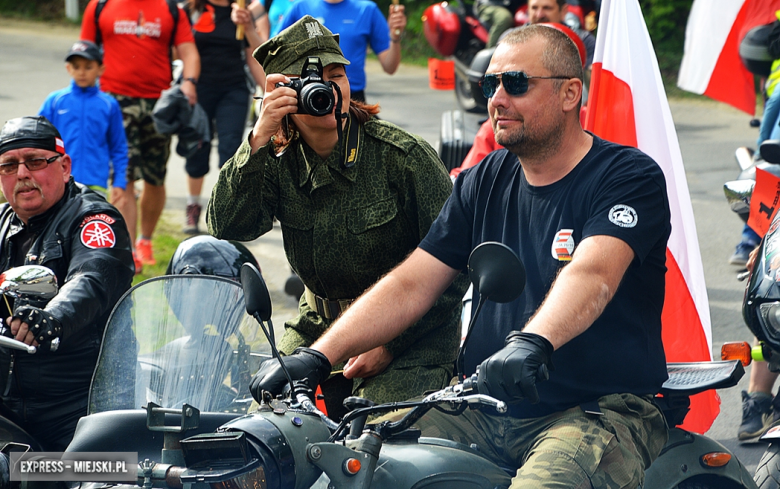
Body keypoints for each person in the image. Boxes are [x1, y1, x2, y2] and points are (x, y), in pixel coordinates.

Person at [250, 24, 671, 487]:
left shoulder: (628, 176)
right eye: (489, 84)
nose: (496, 98)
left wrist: (534, 342)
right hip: (485, 405)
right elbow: (413, 282)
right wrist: (317, 356)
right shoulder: (483, 180)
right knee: (357, 468)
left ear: (571, 92)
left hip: (596, 411)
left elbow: (593, 273)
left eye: (515, 83)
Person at [207, 16, 467, 419]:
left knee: (375, 433)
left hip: (412, 335)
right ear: (282, 94)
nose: (326, 90)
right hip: (321, 327)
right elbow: (227, 225)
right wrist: (258, 137)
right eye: (309, 81)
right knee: (265, 418)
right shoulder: (275, 161)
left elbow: (457, 264)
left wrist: (390, 344)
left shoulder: (402, 158)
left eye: (336, 75)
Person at [0, 116, 135, 450]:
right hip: (9, 410)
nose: (21, 174)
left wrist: (53, 317)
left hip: (80, 413)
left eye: (34, 161)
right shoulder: (3, 223)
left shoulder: (94, 218)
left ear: (64, 165)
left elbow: (93, 278)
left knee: (102, 480)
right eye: (8, 166)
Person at [80, 0, 201, 270]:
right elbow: (83, 55)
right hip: (114, 101)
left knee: (155, 177)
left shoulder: (171, 9)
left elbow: (189, 52)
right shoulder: (100, 6)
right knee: (123, 176)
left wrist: (189, 83)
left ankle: (145, 240)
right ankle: (128, 248)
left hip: (159, 105)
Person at [180, 0, 266, 235]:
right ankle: (193, 206)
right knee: (197, 149)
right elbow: (178, 50)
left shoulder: (241, 11)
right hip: (199, 89)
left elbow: (255, 54)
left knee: (230, 150)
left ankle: (224, 209)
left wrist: (269, 89)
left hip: (233, 90)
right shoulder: (191, 10)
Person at [38, 41, 132, 242]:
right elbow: (39, 139)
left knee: (91, 231)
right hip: (60, 180)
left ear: (101, 69)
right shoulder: (55, 101)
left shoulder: (108, 104)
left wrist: (120, 182)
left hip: (95, 182)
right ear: (68, 68)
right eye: (76, 67)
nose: (82, 72)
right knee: (57, 230)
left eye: (88, 67)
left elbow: (119, 147)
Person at [275, 0, 407, 103]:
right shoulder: (300, 7)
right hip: (309, 95)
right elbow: (275, 54)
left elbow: (390, 67)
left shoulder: (366, 9)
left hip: (352, 99)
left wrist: (394, 38)